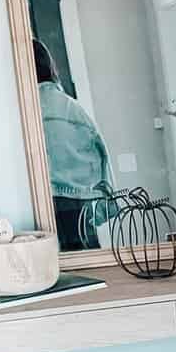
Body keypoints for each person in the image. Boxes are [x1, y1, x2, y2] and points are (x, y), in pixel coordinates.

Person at [34, 39, 114, 249]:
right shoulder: (74, 109)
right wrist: (106, 203)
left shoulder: (24, 112)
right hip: (81, 204)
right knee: (88, 262)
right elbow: (102, 158)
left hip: (46, 202)